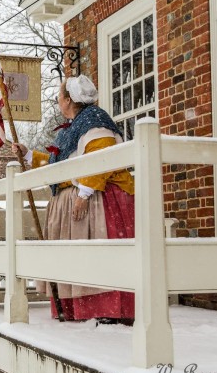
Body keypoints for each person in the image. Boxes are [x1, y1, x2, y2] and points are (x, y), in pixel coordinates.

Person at [12, 75, 135, 325]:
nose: (58, 102)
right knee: (75, 256)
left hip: (99, 199)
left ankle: (108, 308)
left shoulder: (94, 122)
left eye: (59, 97)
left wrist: (84, 193)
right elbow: (61, 164)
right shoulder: (75, 125)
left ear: (69, 100)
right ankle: (79, 308)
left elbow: (101, 157)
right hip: (78, 196)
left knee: (96, 255)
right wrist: (28, 155)